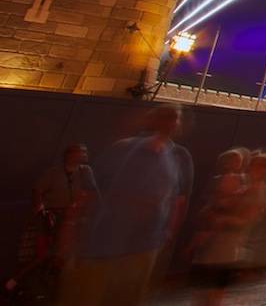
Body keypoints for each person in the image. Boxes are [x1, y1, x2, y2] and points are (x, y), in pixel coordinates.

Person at [63, 104, 193, 306]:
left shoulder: (174, 157)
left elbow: (174, 201)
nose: (172, 122)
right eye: (167, 117)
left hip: (144, 246)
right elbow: (90, 192)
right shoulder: (125, 149)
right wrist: (71, 231)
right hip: (105, 243)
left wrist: (167, 234)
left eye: (175, 118)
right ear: (154, 119)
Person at [189, 149, 250, 305]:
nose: (235, 163)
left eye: (237, 160)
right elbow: (205, 203)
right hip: (210, 231)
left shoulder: (243, 182)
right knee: (205, 273)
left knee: (221, 275)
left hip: (229, 234)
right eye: (232, 159)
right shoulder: (216, 181)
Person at [32, 143, 98, 271]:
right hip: (54, 212)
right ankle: (50, 263)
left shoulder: (86, 171)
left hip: (74, 213)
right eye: (80, 152)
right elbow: (37, 190)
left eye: (85, 152)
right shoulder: (53, 172)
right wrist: (40, 207)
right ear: (69, 155)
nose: (84, 155)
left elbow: (92, 191)